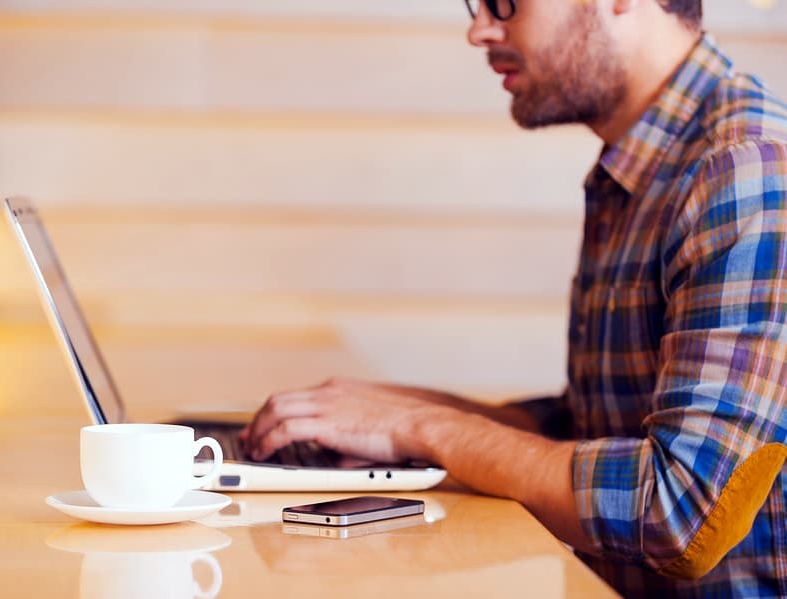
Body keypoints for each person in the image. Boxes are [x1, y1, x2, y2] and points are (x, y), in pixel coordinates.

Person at [240, 1, 787, 596]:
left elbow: (679, 513)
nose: (479, 31)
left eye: (506, 3)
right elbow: (598, 426)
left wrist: (419, 427)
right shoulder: (647, 165)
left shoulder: (743, 169)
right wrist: (391, 412)